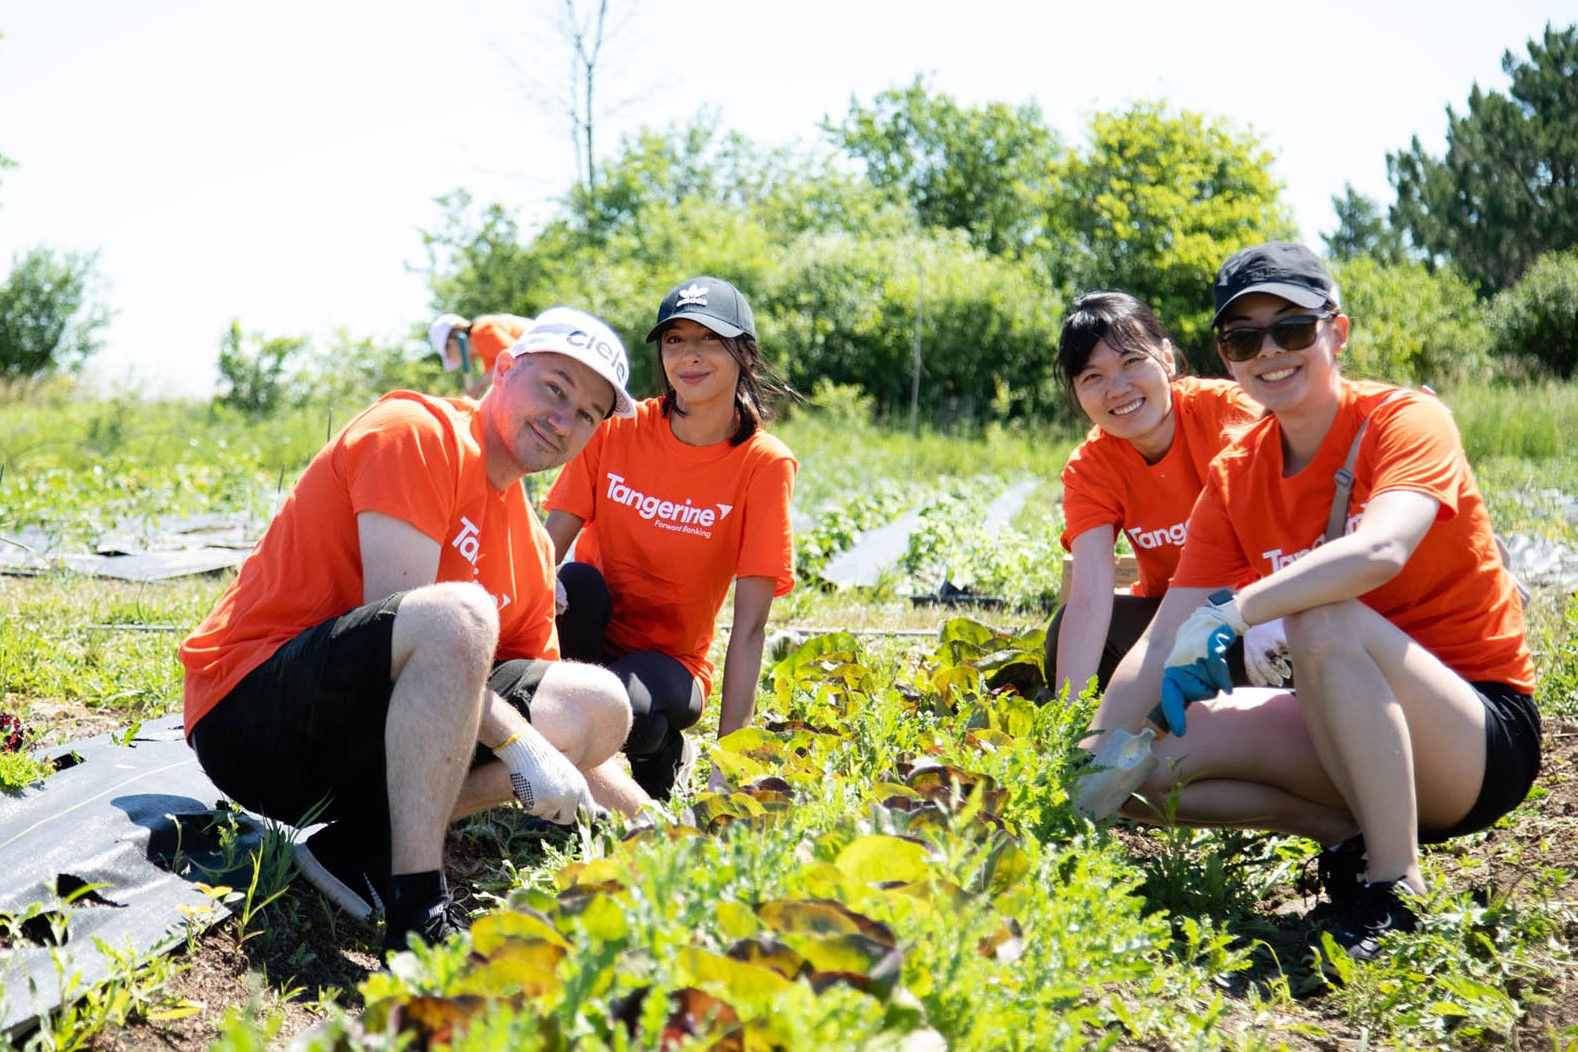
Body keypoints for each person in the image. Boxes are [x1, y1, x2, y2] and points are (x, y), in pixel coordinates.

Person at [1086, 242, 1540, 961]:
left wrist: (1236, 612)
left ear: (1338, 331)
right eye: (1244, 338)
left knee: (1319, 615)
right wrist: (1084, 767)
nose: (1270, 351)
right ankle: (1350, 836)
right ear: (1224, 356)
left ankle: (1393, 890)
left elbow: (1379, 551)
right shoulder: (1236, 475)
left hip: (1474, 733)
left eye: (1292, 328)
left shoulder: (1402, 422)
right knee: (1137, 775)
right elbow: (1161, 637)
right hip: (1343, 721)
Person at [180, 307, 650, 955]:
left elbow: (551, 712)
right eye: (554, 388)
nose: (564, 419)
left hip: (369, 753)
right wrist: (521, 746)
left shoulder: (532, 552)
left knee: (599, 708)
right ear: (504, 368)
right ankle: (416, 909)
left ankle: (359, 844)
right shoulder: (418, 434)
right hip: (255, 717)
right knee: (456, 614)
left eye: (588, 413)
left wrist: (652, 824)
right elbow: (403, 629)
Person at [543, 276, 797, 800]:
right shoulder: (616, 430)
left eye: (709, 339)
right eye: (675, 340)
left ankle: (660, 748)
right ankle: (558, 766)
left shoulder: (762, 464)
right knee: (579, 583)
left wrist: (730, 768)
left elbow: (749, 629)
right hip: (585, 637)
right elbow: (544, 554)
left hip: (670, 666)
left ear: (744, 353)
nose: (690, 356)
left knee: (619, 706)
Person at [1048, 292, 1261, 703]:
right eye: (1093, 377)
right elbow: (1090, 596)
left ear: (1166, 357)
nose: (1117, 389)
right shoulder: (1090, 468)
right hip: (1173, 624)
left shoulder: (1232, 413)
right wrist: (1064, 723)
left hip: (1266, 618)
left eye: (1131, 362)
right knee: (1065, 634)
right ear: (1076, 392)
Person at [429, 312, 533, 398]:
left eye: (449, 356)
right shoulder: (486, 353)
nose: (458, 362)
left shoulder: (481, 332)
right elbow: (498, 384)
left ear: (452, 344)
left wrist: (478, 385)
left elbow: (518, 357)